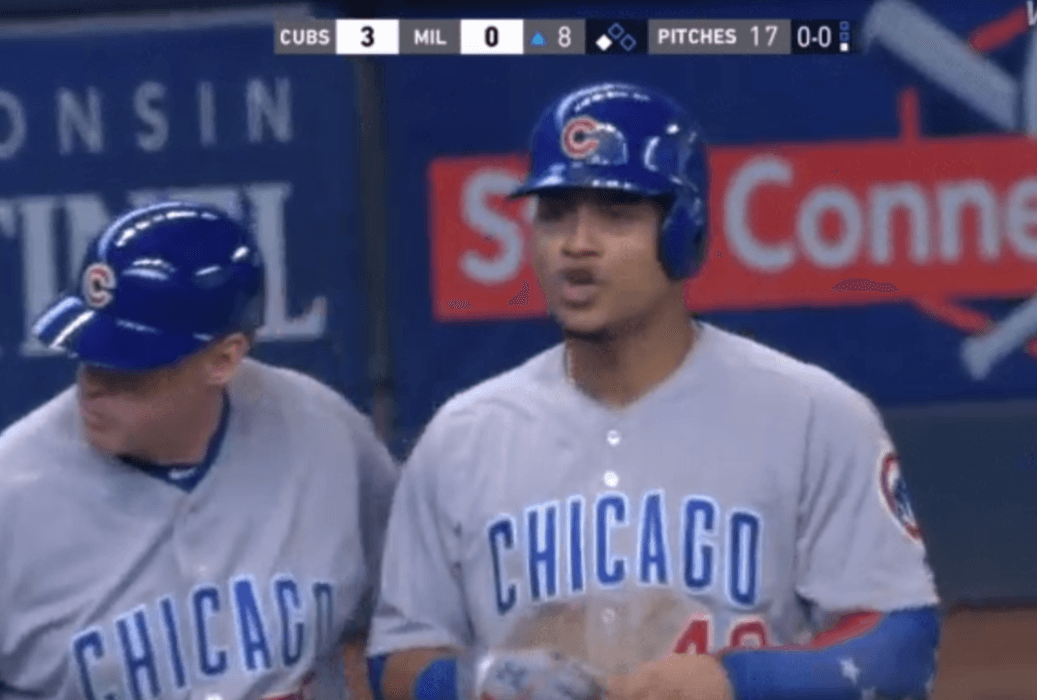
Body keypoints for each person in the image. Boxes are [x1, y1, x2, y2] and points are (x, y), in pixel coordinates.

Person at [365, 82, 941, 700]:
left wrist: (738, 682)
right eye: (555, 213)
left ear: (681, 230)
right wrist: (474, 682)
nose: (576, 244)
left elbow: (900, 644)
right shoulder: (462, 437)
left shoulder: (813, 416)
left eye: (616, 213)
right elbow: (397, 659)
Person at [0, 201, 399, 699]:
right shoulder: (12, 491)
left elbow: (403, 623)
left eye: (126, 364)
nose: (93, 384)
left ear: (223, 359)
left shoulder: (328, 437)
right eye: (86, 354)